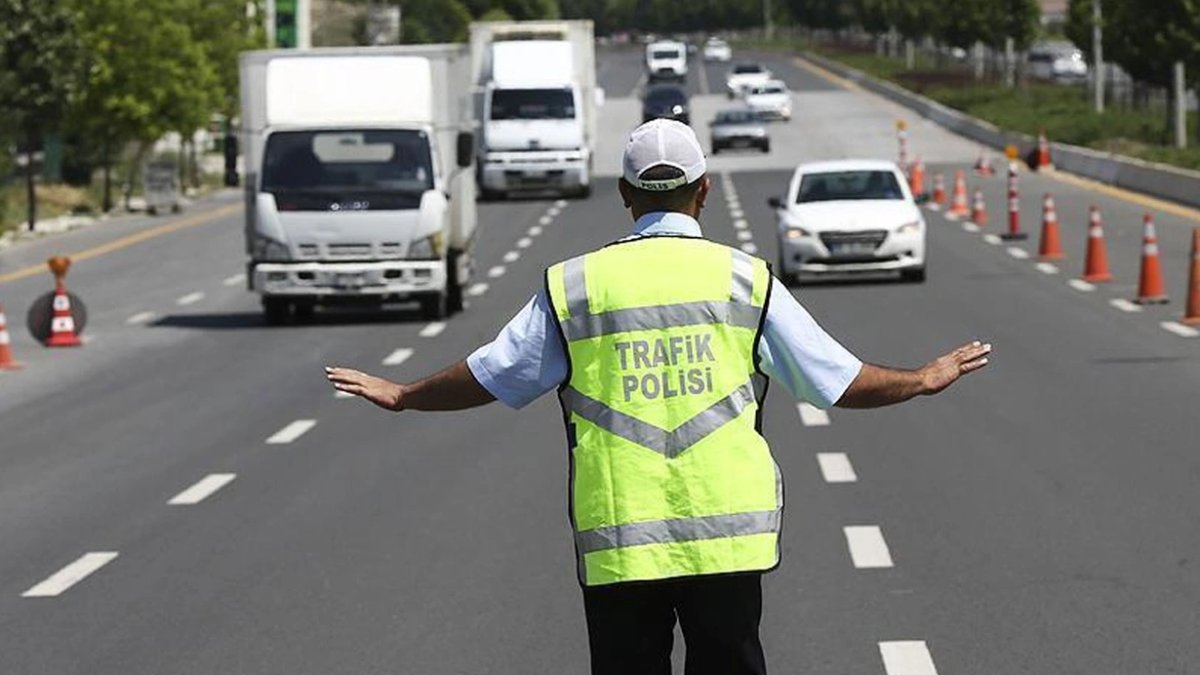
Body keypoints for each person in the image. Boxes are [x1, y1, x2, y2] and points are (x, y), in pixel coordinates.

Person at [325, 119, 991, 675]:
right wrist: (920, 379)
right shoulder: (744, 280)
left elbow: (494, 373)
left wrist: (405, 392)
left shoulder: (577, 285)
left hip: (622, 539)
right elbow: (836, 379)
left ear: (625, 194)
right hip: (728, 539)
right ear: (703, 191)